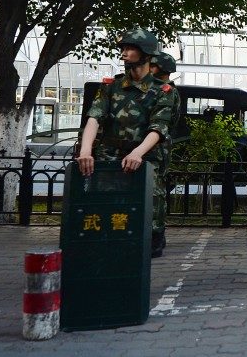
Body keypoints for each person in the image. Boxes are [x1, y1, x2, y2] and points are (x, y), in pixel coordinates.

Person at [76, 29, 176, 259]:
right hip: (110, 155)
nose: (124, 53)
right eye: (123, 48)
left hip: (145, 156)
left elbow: (159, 128)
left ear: (147, 53)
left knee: (150, 209)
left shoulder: (163, 91)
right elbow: (94, 117)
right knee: (104, 210)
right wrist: (85, 150)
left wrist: (138, 153)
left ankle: (152, 240)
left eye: (130, 48)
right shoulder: (111, 86)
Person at [149, 52, 182, 251]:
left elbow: (165, 124)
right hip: (153, 147)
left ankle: (156, 234)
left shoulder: (168, 92)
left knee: (156, 193)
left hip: (157, 149)